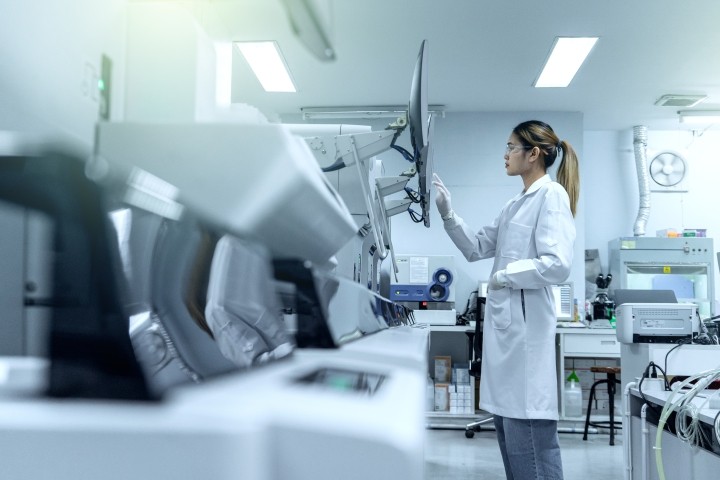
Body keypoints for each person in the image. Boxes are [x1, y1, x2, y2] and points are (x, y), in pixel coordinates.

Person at [433, 120, 579, 480]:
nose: (506, 154)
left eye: (512, 147)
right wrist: (447, 213)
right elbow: (476, 247)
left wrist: (503, 276)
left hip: (525, 342)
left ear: (533, 154)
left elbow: (557, 265)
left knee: (530, 442)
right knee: (511, 439)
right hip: (508, 339)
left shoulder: (551, 196)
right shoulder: (516, 204)